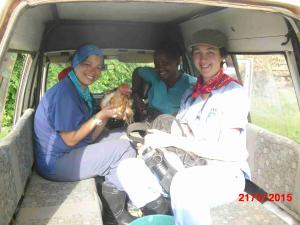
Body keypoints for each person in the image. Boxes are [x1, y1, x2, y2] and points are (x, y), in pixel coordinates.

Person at [117, 29, 250, 225]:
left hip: (225, 173)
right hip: (188, 164)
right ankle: (164, 215)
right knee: (128, 168)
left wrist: (172, 141)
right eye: (197, 52)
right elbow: (180, 130)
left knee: (185, 184)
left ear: (223, 56)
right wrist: (154, 142)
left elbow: (228, 152)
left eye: (210, 52)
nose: (203, 59)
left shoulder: (233, 94)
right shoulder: (191, 92)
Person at [33, 44, 136, 225]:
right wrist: (101, 114)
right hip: (56, 162)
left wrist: (106, 110)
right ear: (75, 64)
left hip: (72, 149)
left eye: (98, 67)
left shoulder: (80, 90)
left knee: (127, 134)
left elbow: (90, 135)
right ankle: (115, 213)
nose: (93, 71)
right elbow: (70, 139)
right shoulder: (64, 93)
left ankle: (115, 187)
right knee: (124, 148)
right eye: (87, 64)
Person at [132, 41, 196, 121]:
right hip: (148, 120)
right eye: (157, 64)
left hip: (173, 128)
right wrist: (136, 95)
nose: (160, 68)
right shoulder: (154, 76)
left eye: (165, 63)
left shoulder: (192, 84)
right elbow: (137, 71)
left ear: (177, 61)